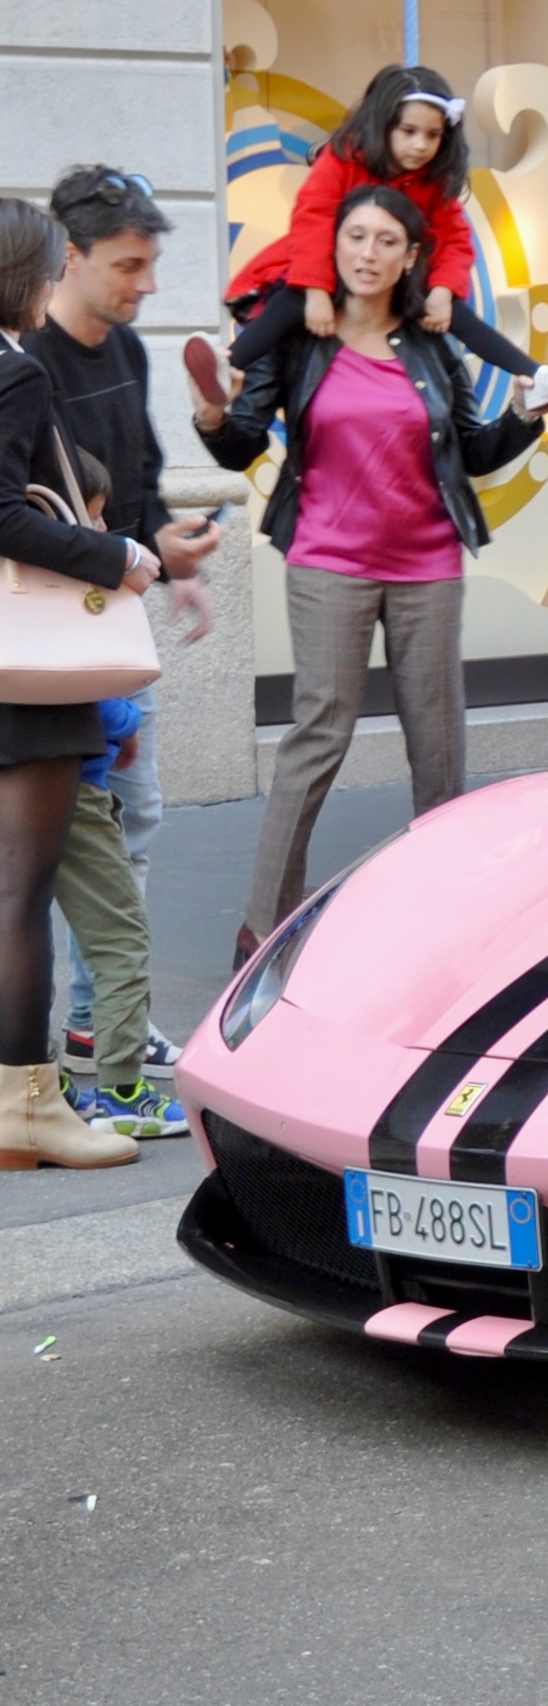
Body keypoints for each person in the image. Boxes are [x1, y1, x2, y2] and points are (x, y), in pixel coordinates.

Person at [196, 184, 545, 962]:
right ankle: (263, 924)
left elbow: (475, 453)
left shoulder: (431, 347)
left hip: (428, 566)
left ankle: (445, 921)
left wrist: (526, 413)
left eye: (387, 241)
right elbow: (241, 444)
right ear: (335, 245)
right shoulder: (297, 342)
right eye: (355, 236)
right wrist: (214, 415)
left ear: (411, 256)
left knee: (439, 747)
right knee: (319, 736)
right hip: (329, 561)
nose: (367, 253)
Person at [30, 164, 222, 1081]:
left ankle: (92, 1023)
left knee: (123, 827)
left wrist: (168, 557)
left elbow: (133, 488)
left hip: (112, 625)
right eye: (128, 264)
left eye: (148, 263)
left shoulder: (128, 351)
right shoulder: (27, 367)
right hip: (45, 641)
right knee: (77, 840)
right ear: (69, 255)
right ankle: (89, 1033)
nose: (145, 283)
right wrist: (132, 558)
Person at [0, 198, 156, 1169]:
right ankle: (28, 1106)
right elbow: (6, 517)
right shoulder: (16, 374)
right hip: (26, 667)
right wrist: (114, 554)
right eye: (54, 268)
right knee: (23, 891)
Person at [182, 65, 548, 417]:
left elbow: (455, 240)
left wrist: (444, 291)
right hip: (323, 267)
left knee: (459, 315)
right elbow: (313, 220)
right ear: (383, 126)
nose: (420, 145)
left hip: (390, 286)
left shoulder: (433, 182)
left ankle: (537, 377)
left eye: (432, 135)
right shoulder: (344, 159)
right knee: (290, 300)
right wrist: (316, 291)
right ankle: (227, 362)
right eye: (409, 131)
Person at [48, 450, 185, 1137]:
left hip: (23, 777)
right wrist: (128, 720)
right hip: (74, 780)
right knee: (119, 937)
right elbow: (98, 701)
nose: (103, 531)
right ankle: (125, 1091)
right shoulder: (65, 583)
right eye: (97, 517)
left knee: (22, 929)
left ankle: (37, 1087)